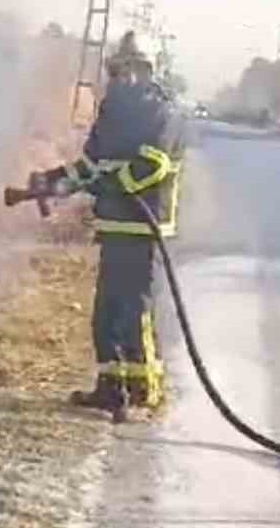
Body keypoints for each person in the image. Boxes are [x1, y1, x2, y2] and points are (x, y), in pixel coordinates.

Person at [30, 32, 185, 421]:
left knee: (134, 311)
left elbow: (154, 164)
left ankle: (144, 390)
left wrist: (114, 184)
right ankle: (111, 388)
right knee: (105, 313)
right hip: (114, 223)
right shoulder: (112, 112)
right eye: (118, 70)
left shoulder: (161, 113)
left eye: (131, 70)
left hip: (143, 226)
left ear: (148, 71)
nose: (123, 78)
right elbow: (90, 165)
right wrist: (54, 182)